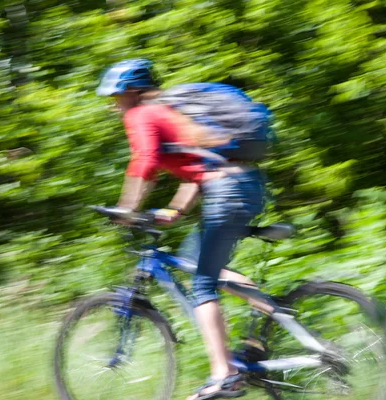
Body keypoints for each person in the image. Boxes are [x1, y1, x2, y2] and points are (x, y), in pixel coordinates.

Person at [96, 59, 266, 400]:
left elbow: (144, 160)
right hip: (247, 183)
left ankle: (224, 374)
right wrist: (175, 210)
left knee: (203, 280)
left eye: (115, 97)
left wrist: (128, 209)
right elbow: (200, 165)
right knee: (201, 264)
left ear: (131, 92)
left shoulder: (142, 114)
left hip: (228, 189)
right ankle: (261, 334)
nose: (114, 105)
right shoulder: (170, 113)